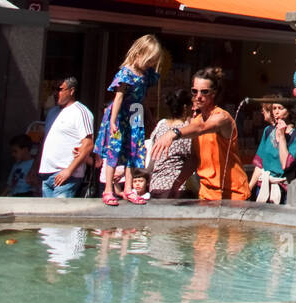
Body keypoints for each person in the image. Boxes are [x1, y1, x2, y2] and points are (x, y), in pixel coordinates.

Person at [150, 68, 249, 201]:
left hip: (233, 194)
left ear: (214, 93)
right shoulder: (196, 121)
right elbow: (194, 159)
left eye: (204, 92)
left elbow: (202, 127)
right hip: (206, 193)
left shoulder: (222, 118)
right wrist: (176, 185)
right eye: (194, 91)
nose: (198, 96)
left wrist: (173, 133)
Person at [95, 36, 163, 206]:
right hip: (122, 114)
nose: (150, 64)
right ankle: (108, 189)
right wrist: (112, 121)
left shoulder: (146, 74)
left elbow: (143, 98)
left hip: (136, 113)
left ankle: (128, 188)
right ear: (139, 53)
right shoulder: (126, 72)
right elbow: (118, 98)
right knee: (114, 150)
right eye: (149, 60)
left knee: (134, 150)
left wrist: (148, 116)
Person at [37, 76, 95, 198]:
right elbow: (45, 141)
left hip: (66, 174)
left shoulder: (81, 111)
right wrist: (35, 168)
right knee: (46, 213)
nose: (55, 93)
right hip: (47, 172)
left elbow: (88, 144)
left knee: (58, 213)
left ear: (71, 91)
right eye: (53, 89)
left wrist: (69, 170)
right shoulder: (52, 112)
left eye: (59, 89)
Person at [147, 89, 197, 198]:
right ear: (185, 107)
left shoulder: (161, 125)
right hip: (178, 188)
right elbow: (194, 158)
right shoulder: (186, 130)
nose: (193, 108)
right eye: (191, 105)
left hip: (155, 186)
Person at [250, 100, 296, 204]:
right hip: (263, 186)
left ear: (289, 111)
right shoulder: (268, 131)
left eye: (280, 108)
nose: (276, 112)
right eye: (274, 108)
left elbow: (285, 163)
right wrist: (248, 189)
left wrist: (282, 137)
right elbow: (259, 164)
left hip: (283, 190)